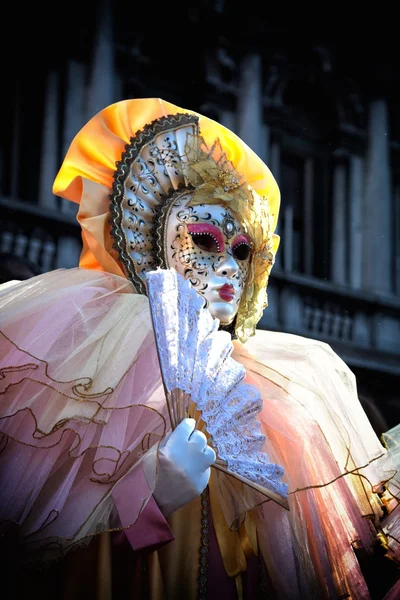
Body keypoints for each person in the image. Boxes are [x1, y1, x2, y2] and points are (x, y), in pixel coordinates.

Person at [0, 98, 398, 599]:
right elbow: (40, 559)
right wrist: (149, 500)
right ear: (154, 242)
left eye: (241, 251)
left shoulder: (272, 403)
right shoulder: (93, 373)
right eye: (205, 240)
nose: (231, 267)